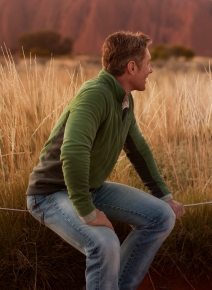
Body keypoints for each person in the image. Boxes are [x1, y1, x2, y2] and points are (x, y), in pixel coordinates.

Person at [26, 31, 185, 290]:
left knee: (161, 217)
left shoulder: (124, 99)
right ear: (131, 67)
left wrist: (164, 196)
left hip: (90, 188)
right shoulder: (95, 94)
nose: (151, 69)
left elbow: (138, 150)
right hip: (50, 194)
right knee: (105, 242)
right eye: (148, 63)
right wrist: (87, 212)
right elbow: (73, 151)